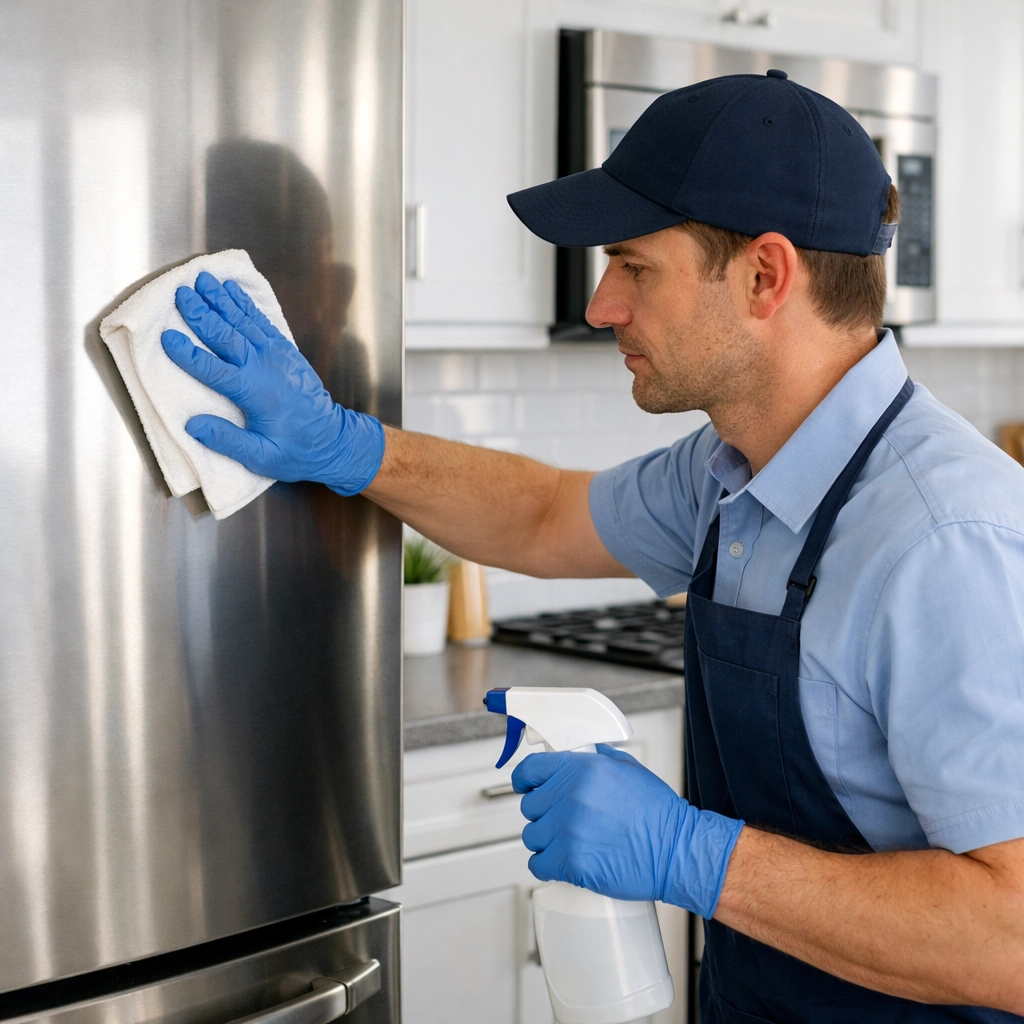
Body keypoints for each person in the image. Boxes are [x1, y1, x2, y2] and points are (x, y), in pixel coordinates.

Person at [161, 70, 1024, 1020]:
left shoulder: (945, 542)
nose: (604, 303)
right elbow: (542, 514)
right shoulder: (730, 469)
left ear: (765, 277)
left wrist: (691, 855)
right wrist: (343, 444)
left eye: (633, 265)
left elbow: (1011, 939)